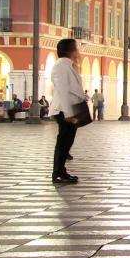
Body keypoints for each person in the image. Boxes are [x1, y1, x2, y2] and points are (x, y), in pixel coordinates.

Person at [48, 39, 86, 184]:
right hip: (64, 110)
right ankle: (57, 173)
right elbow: (63, 90)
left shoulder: (67, 66)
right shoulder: (61, 67)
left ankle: (61, 171)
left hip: (68, 109)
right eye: (77, 49)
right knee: (63, 142)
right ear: (71, 51)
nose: (79, 52)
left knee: (67, 142)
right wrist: (69, 114)